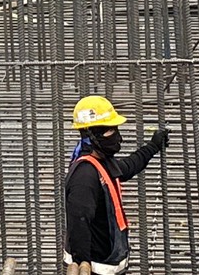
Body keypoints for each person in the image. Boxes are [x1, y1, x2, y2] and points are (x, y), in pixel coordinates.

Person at [63, 95, 170, 275]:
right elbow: (79, 223)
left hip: (108, 265)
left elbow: (127, 167)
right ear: (91, 134)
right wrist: (82, 264)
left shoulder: (101, 162)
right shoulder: (85, 175)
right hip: (94, 269)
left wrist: (153, 146)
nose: (116, 136)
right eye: (109, 131)